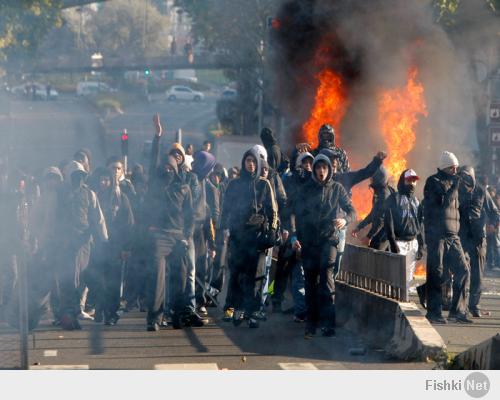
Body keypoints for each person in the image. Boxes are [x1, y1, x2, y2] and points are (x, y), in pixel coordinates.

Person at [291, 154, 356, 338]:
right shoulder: (305, 189)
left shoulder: (337, 188)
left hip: (329, 240)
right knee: (310, 283)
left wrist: (344, 220)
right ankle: (311, 324)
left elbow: (352, 211)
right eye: (318, 168)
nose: (321, 171)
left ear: (329, 170)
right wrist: (294, 237)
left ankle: (328, 324)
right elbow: (295, 214)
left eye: (324, 168)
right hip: (309, 242)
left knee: (327, 279)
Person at [221, 148, 278, 328]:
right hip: (238, 237)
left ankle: (252, 312)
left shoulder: (264, 184)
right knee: (237, 274)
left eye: (254, 162)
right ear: (243, 163)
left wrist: (272, 231)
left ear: (258, 164)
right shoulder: (234, 184)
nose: (251, 164)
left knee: (257, 277)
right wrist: (224, 229)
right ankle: (236, 309)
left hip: (258, 237)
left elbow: (273, 211)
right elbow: (226, 210)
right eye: (248, 161)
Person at [144, 149, 194, 331]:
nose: (167, 170)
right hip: (159, 237)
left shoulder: (184, 188)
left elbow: (190, 218)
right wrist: (157, 139)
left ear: (175, 169)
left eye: (170, 167)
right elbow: (152, 161)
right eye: (164, 166)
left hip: (179, 237)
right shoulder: (155, 186)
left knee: (180, 277)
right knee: (157, 278)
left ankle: (178, 316)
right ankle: (154, 318)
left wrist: (187, 237)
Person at [56, 161, 108, 330]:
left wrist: (103, 237)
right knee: (68, 279)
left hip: (84, 243)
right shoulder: (59, 194)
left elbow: (98, 218)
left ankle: (72, 313)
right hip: (64, 242)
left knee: (80, 279)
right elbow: (50, 217)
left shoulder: (90, 194)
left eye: (81, 176)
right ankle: (67, 315)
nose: (79, 179)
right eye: (75, 175)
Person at [423, 151, 472, 324]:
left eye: (457, 168)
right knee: (436, 273)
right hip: (437, 235)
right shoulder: (433, 182)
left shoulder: (454, 183)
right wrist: (455, 186)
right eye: (454, 168)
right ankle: (434, 312)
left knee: (463, 270)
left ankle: (457, 311)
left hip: (453, 235)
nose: (456, 171)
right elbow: (443, 204)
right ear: (446, 167)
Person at [91, 168, 134, 325]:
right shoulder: (93, 197)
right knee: (97, 279)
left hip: (115, 247)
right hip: (97, 246)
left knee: (113, 282)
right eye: (101, 179)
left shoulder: (121, 199)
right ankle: (100, 308)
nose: (104, 183)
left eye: (107, 180)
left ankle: (111, 312)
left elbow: (129, 224)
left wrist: (126, 247)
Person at [458, 166, 500, 318]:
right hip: (461, 237)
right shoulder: (456, 191)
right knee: (461, 272)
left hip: (478, 238)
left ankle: (474, 306)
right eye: (461, 177)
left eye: (466, 176)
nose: (464, 180)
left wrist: (492, 225)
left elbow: (495, 213)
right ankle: (459, 307)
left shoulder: (482, 191)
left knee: (477, 275)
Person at [384, 169, 425, 291]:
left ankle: (403, 304)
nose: (412, 183)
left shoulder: (417, 201)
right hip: (398, 242)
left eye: (414, 180)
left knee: (407, 278)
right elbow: (388, 223)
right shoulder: (393, 198)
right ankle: (395, 304)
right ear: (403, 181)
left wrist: (422, 245)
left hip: (413, 243)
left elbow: (420, 225)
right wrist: (392, 243)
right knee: (396, 277)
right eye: (409, 180)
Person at [352, 165, 394, 250]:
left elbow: (381, 220)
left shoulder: (384, 195)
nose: (370, 180)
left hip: (383, 235)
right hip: (379, 232)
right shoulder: (379, 192)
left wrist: (369, 236)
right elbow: (373, 213)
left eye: (372, 177)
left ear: (378, 178)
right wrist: (359, 227)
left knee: (376, 257)